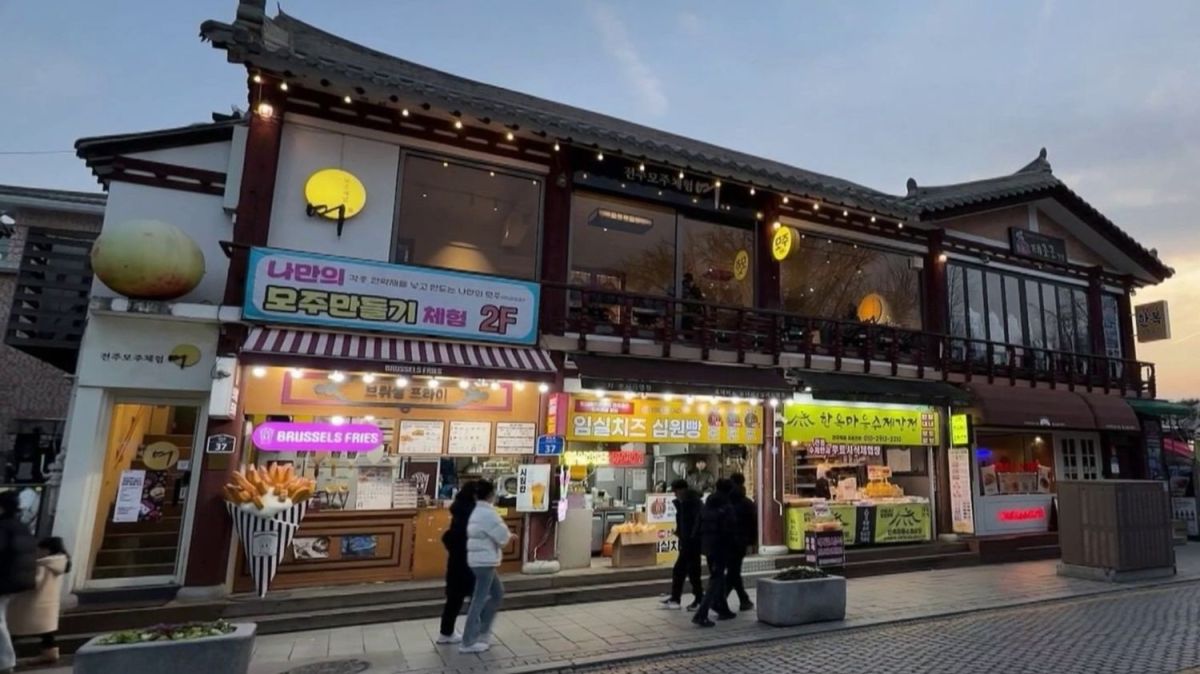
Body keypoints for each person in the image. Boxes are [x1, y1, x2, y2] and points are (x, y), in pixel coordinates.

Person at [459, 480, 512, 654]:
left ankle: (483, 631)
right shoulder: (489, 514)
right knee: (479, 599)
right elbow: (502, 537)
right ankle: (469, 640)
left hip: (479, 559)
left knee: (497, 593)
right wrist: (509, 536)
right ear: (491, 495)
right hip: (484, 561)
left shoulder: (478, 511)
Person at [8, 537, 69, 666]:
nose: (37, 551)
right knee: (46, 631)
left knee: (13, 629)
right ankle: (50, 653)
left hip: (32, 604)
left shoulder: (42, 565)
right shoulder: (60, 563)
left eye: (40, 549)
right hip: (48, 604)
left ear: (47, 550)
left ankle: (6, 656)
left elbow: (34, 582)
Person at [692, 479, 737, 628]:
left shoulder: (707, 505)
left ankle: (722, 608)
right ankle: (701, 614)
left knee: (718, 577)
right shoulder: (726, 506)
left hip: (707, 546)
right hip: (721, 547)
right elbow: (730, 529)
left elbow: (698, 525)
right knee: (716, 579)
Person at [436, 483, 477, 644]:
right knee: (477, 598)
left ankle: (446, 633)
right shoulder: (471, 513)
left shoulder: (459, 511)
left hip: (456, 562)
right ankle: (474, 634)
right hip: (469, 562)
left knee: (454, 600)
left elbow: (448, 537)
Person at [0, 492, 36, 673]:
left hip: (4, 580)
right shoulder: (21, 526)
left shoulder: (3, 527)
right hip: (16, 581)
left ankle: (6, 662)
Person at [659, 479, 702, 610]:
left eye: (675, 491)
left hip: (692, 543)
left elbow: (696, 523)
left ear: (682, 490)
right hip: (687, 541)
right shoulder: (683, 503)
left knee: (691, 571)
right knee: (681, 570)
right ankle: (676, 597)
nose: (674, 494)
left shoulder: (692, 503)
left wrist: (691, 537)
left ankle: (698, 599)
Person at [726, 473, 756, 611]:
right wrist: (752, 542)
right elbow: (753, 524)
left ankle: (723, 599)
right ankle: (743, 599)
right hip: (741, 541)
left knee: (733, 571)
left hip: (727, 540)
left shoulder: (726, 500)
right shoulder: (747, 502)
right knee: (734, 571)